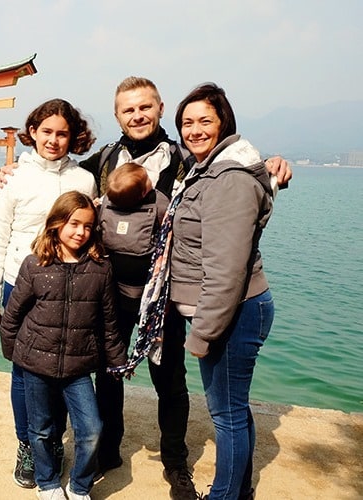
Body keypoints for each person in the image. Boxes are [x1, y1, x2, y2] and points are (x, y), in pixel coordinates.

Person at [0, 77, 292, 500]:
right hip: (107, 289)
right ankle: (108, 450)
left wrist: (273, 163)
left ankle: (174, 461)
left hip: (166, 292)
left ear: (158, 109)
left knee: (167, 375)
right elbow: (61, 174)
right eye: (127, 110)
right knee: (109, 372)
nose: (137, 116)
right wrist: (15, 168)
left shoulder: (184, 157)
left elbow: (229, 167)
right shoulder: (103, 161)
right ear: (118, 115)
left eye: (144, 108)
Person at [0, 98, 97, 489]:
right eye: (46, 131)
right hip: (20, 282)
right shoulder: (14, 177)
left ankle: (51, 443)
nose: (53, 139)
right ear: (32, 132)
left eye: (62, 133)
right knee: (23, 372)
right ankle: (28, 445)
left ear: (73, 137)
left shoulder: (84, 180)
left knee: (63, 369)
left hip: (70, 287)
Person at [167, 83, 275, 500]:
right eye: (187, 122)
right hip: (232, 307)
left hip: (234, 310)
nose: (194, 130)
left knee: (226, 413)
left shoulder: (228, 178)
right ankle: (241, 488)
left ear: (223, 122)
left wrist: (203, 333)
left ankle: (224, 495)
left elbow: (226, 270)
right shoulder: (210, 168)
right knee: (234, 406)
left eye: (204, 121)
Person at [0, 191, 126, 500]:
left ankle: (80, 486)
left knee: (92, 428)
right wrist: (14, 353)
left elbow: (110, 321)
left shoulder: (101, 268)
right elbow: (13, 313)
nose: (80, 232)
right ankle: (47, 482)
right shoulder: (35, 264)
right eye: (73, 223)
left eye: (87, 226)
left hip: (78, 366)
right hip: (35, 363)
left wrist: (117, 360)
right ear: (56, 223)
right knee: (41, 429)